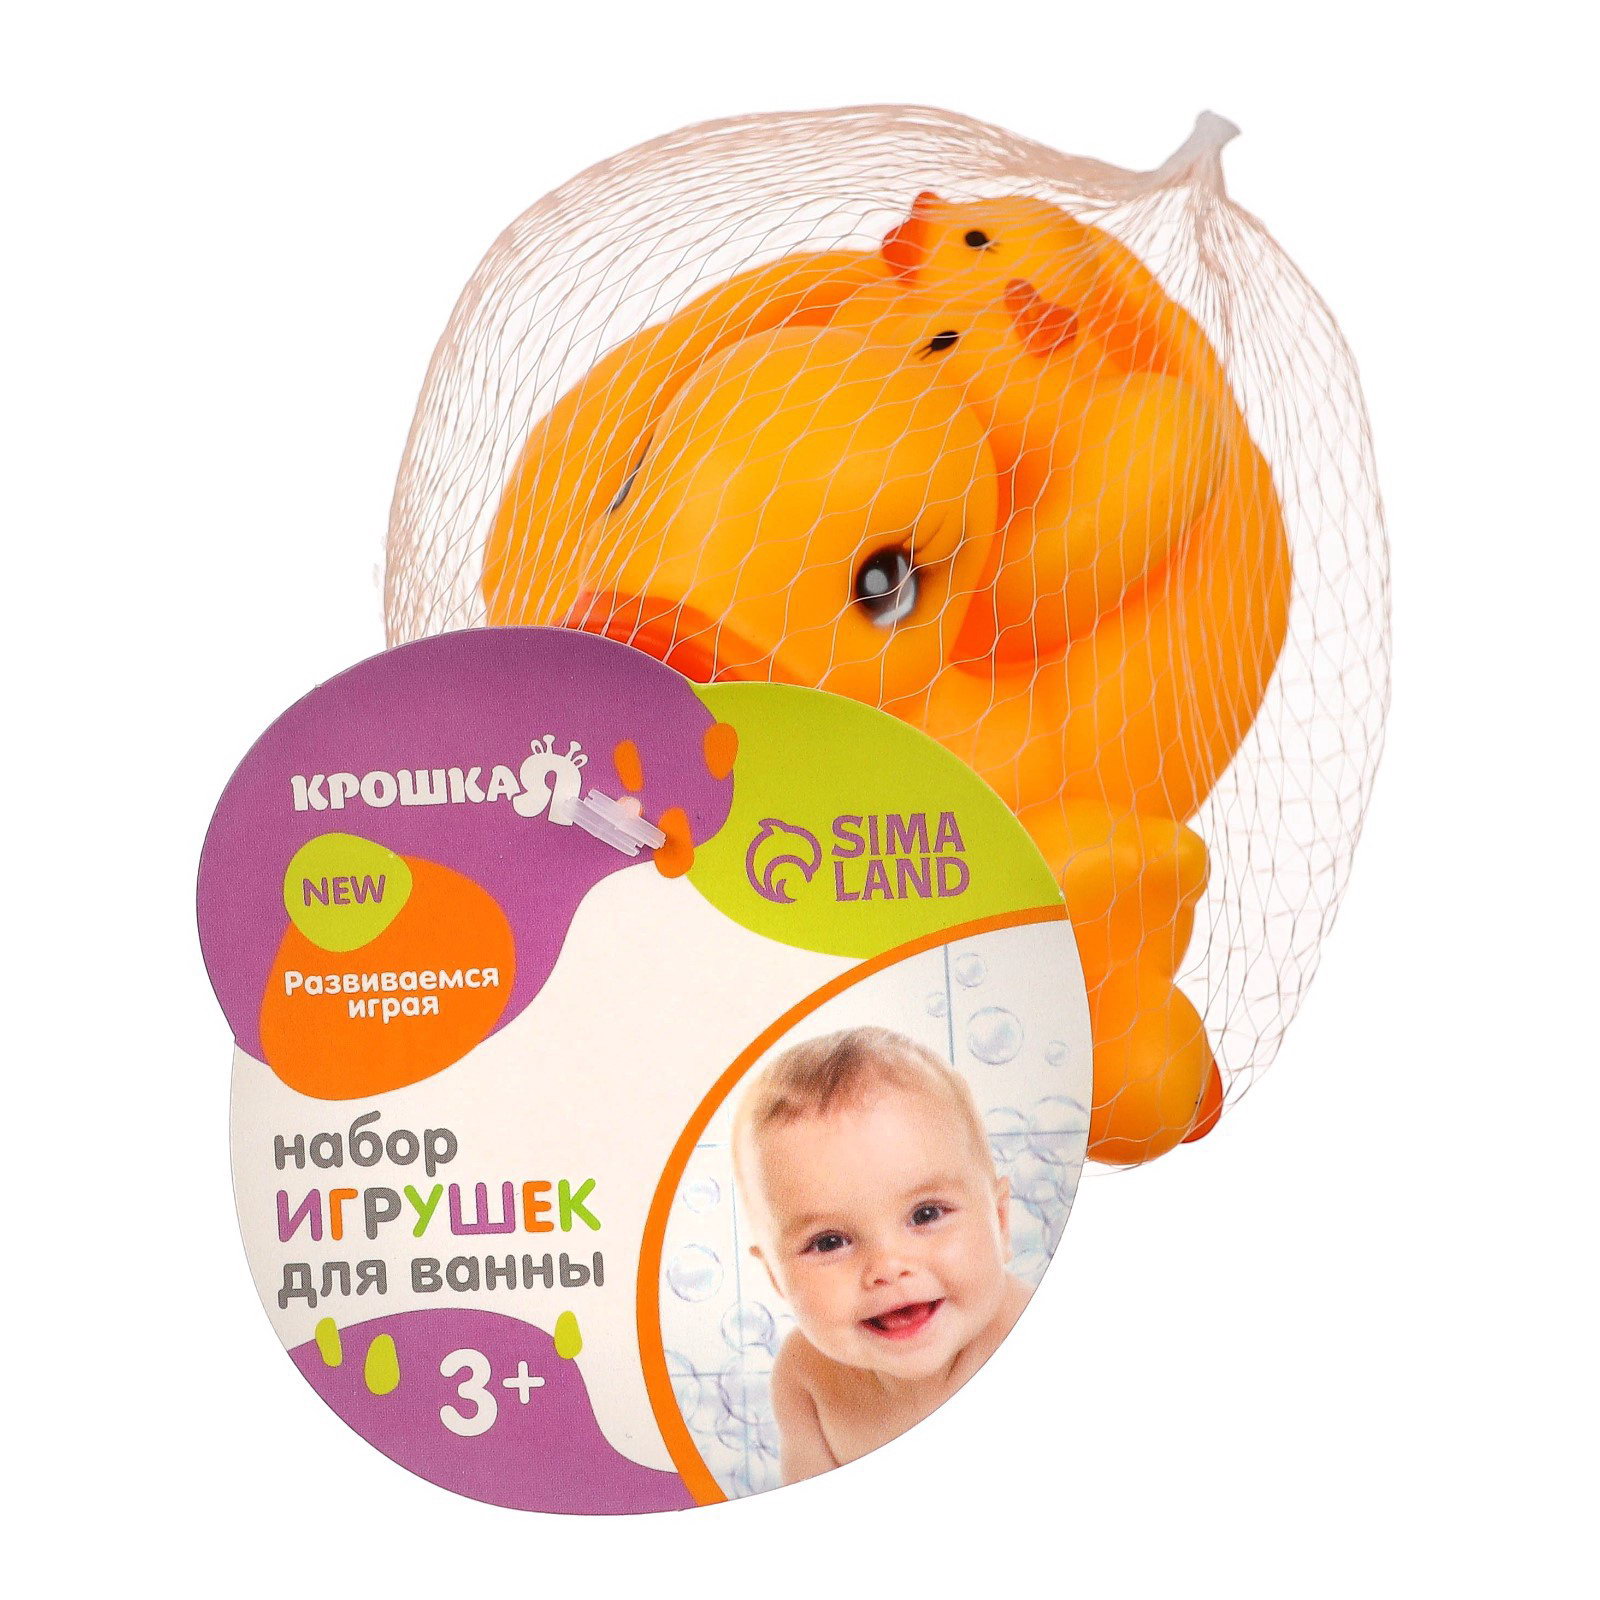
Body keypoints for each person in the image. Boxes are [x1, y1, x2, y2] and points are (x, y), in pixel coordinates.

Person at [732, 1024, 1029, 1481]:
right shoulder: (806, 1379)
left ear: (1001, 1221)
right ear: (775, 1277)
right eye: (829, 1242)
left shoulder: (1030, 1329)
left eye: (925, 1214)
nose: (888, 1267)